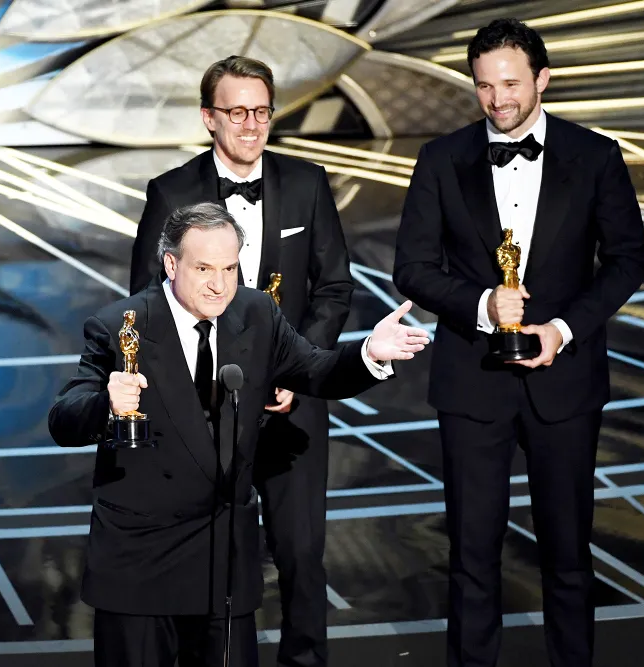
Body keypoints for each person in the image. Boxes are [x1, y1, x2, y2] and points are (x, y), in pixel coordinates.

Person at [52, 202, 429, 666]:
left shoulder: (255, 312)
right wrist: (104, 406)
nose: (219, 284)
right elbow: (64, 418)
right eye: (204, 268)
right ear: (171, 264)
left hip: (223, 554)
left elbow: (317, 371)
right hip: (141, 561)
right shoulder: (121, 325)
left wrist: (371, 352)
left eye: (230, 268)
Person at [392, 18, 644, 667]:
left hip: (565, 384)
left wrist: (561, 330)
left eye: (509, 83)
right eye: (483, 86)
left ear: (542, 79)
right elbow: (412, 267)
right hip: (472, 384)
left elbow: (626, 260)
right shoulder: (440, 159)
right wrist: (481, 304)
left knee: (568, 555)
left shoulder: (595, 156)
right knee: (472, 556)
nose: (497, 99)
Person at [129, 55, 353, 667]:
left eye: (261, 111)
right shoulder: (171, 193)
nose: (251, 125)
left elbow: (334, 287)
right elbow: (149, 306)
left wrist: (294, 366)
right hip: (206, 418)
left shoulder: (308, 182)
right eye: (236, 112)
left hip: (293, 411)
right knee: (215, 560)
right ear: (209, 118)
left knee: (303, 557)